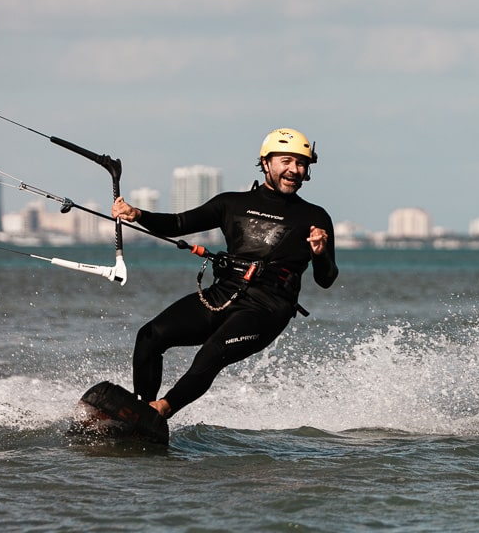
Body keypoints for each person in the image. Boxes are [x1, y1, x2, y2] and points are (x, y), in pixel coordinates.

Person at [111, 128, 338, 418]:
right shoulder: (231, 203)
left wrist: (319, 254)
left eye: (301, 164)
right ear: (266, 163)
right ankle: (140, 411)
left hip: (267, 309)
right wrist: (139, 215)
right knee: (150, 335)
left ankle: (162, 411)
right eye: (286, 161)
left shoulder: (315, 217)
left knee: (213, 351)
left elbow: (327, 278)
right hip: (223, 294)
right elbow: (178, 223)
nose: (294, 170)